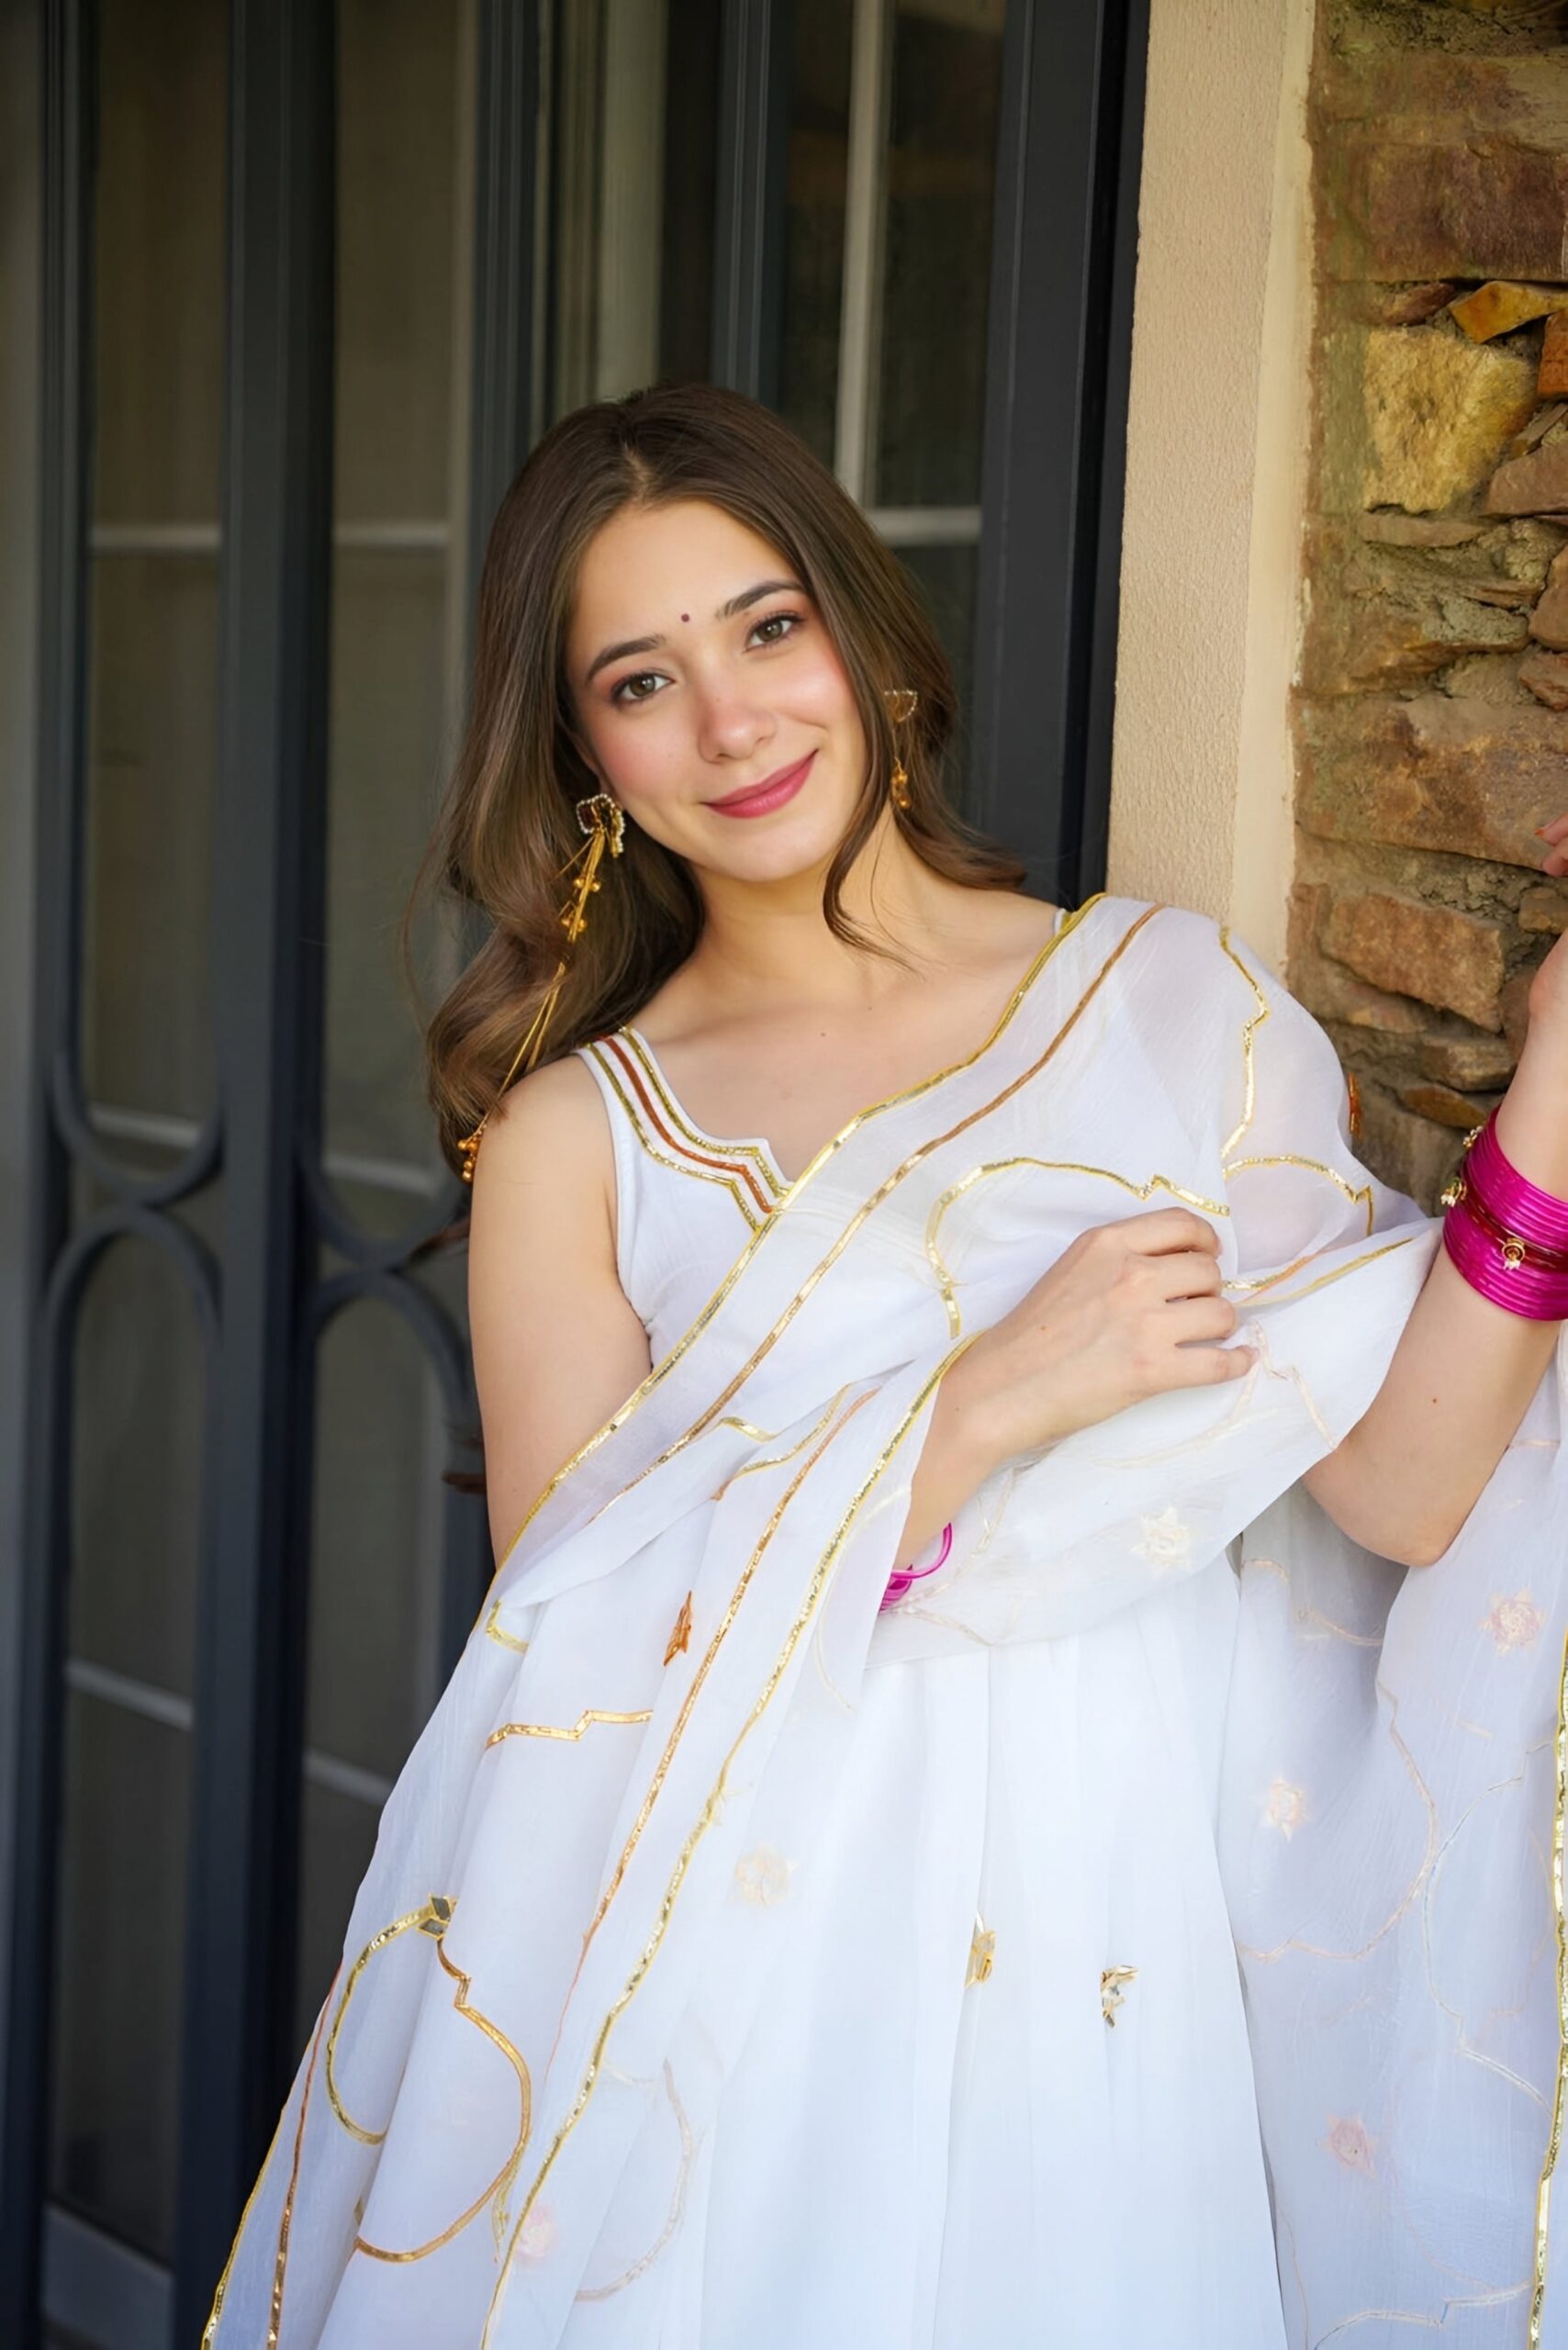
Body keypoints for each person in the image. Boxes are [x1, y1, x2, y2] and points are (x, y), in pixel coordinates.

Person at [204, 383, 1568, 2348]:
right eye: (642, 679)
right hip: (752, 1990)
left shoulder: (1166, 999)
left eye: (767, 628)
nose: (733, 720)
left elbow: (1406, 1487)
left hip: (1110, 1960)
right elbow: (568, 1650)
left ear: (861, 636)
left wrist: (1554, 1071)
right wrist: (985, 1401)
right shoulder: (585, 1135)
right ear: (584, 755)